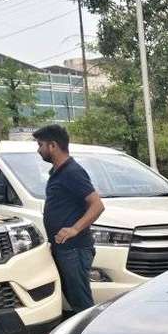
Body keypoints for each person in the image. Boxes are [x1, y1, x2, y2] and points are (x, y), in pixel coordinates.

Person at [33, 124, 105, 314]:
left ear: (53, 146)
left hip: (75, 249)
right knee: (75, 300)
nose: (38, 150)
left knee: (82, 304)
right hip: (64, 248)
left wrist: (74, 229)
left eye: (40, 145)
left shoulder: (72, 172)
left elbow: (97, 205)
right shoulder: (58, 172)